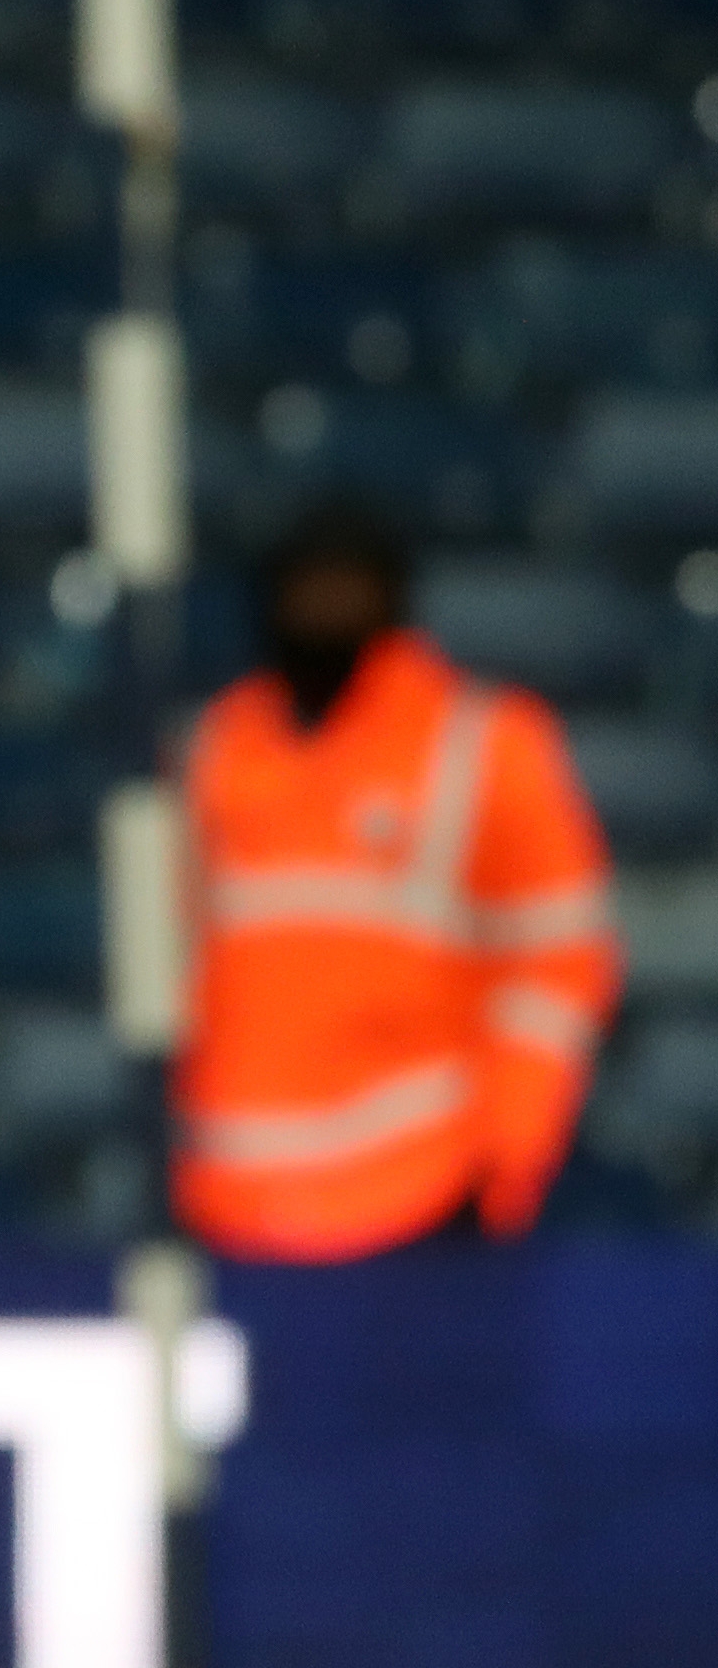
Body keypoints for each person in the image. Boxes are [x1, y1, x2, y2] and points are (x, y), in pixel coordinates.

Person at [171, 506, 620, 1259]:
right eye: (305, 588)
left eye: (347, 587)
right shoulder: (218, 743)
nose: (324, 610)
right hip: (233, 1197)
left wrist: (504, 1157)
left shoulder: (484, 740)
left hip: (423, 1187)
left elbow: (562, 962)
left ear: (393, 597)